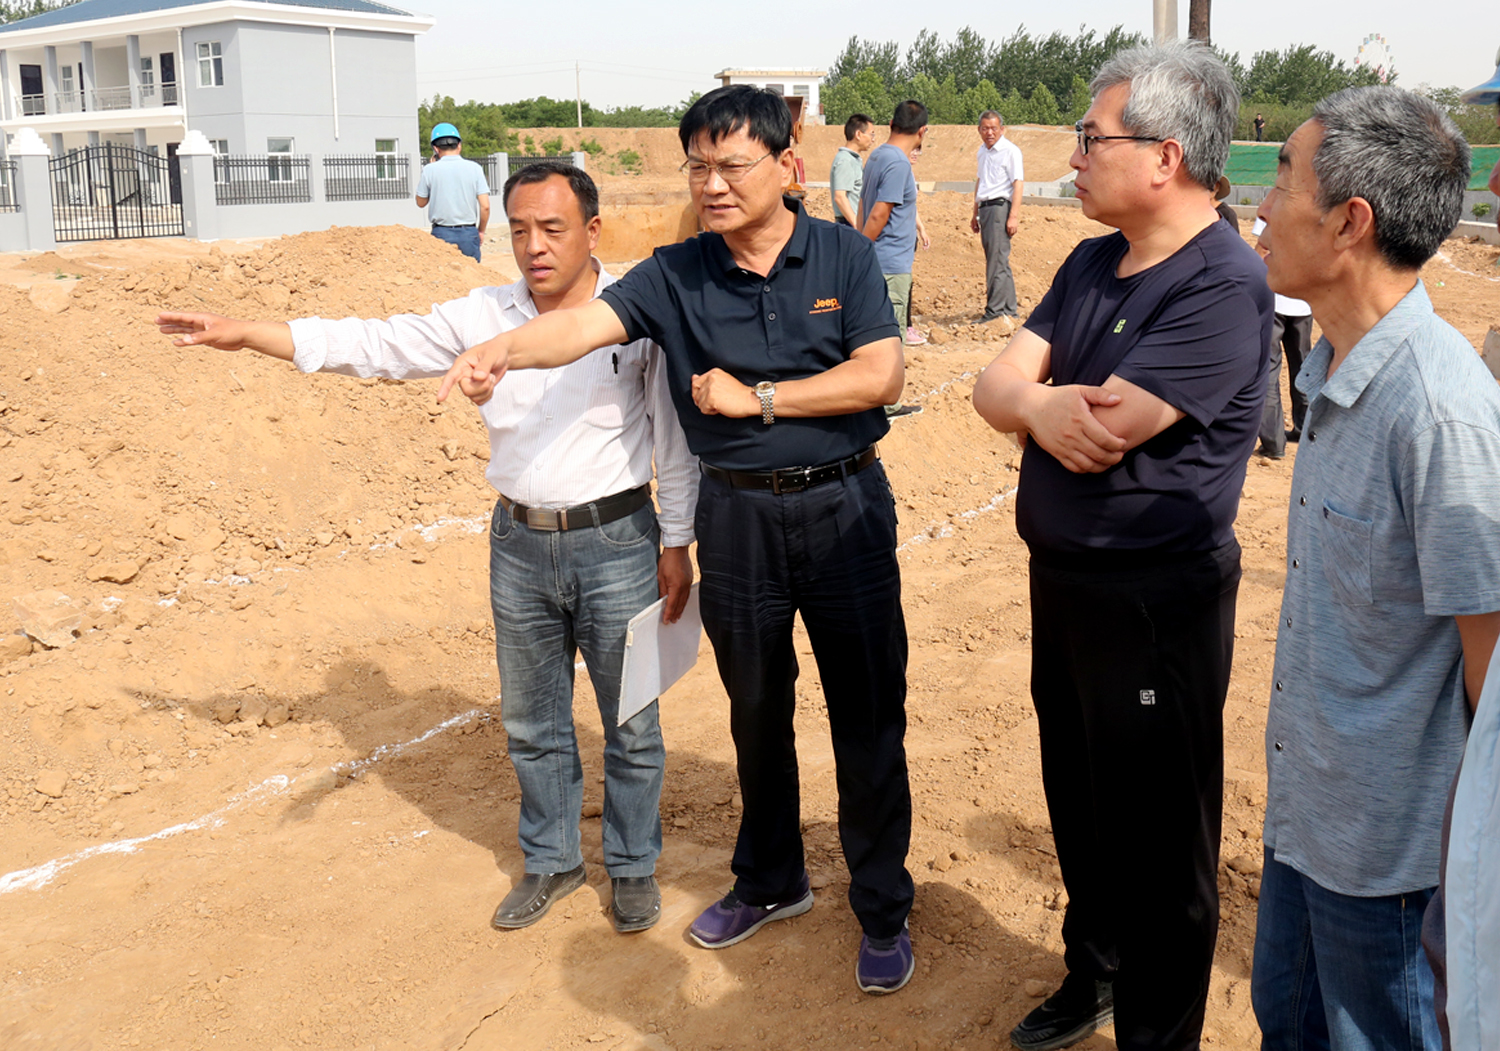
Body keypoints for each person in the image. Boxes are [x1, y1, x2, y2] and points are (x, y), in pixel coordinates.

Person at [438, 85, 917, 996]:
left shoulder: (843, 254)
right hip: (736, 521)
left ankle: (883, 907)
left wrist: (759, 399)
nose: (712, 184)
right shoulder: (677, 271)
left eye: (731, 165)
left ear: (788, 166)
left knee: (866, 716)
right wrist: (505, 350)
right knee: (755, 713)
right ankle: (771, 880)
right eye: (698, 166)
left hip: (843, 509)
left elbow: (880, 374)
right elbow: (585, 325)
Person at [157, 161, 699, 936]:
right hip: (519, 545)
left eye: (552, 229)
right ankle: (552, 859)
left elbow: (672, 438)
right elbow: (375, 343)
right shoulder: (482, 313)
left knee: (633, 720)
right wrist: (250, 334)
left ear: (592, 230)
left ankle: (634, 864)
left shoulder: (633, 310)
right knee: (533, 722)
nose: (535, 246)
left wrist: (676, 540)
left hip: (619, 541)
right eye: (520, 230)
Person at [970, 41, 1270, 1051]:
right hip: (1065, 585)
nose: (1075, 155)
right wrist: (1034, 405)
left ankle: (1157, 1031)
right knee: (1083, 800)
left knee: (1160, 840)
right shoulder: (1093, 260)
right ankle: (1093, 970)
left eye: (1092, 137)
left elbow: (1105, 426)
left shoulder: (1223, 281)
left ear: (1165, 156)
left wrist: (1038, 401)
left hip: (1153, 603)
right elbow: (995, 387)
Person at [1249, 85, 1500, 1051]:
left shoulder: (1439, 411)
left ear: (1349, 222)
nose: (1262, 206)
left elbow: (1491, 669)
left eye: (1283, 180)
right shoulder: (1332, 370)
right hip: (1306, 821)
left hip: (1393, 870)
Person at [860, 100, 927, 355]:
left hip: (877, 263)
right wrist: (861, 251)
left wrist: (859, 244)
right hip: (891, 266)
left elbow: (863, 207)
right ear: (922, 131)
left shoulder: (877, 155)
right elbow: (879, 214)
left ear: (891, 124)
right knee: (890, 346)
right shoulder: (899, 163)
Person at [1251, 217, 1313, 459]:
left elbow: (1260, 252)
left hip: (1275, 302)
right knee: (1304, 368)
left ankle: (1273, 442)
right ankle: (1305, 430)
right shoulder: (1318, 209)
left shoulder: (1275, 208)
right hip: (1303, 303)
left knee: (1268, 369)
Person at [970, 110, 1025, 327]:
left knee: (996, 262)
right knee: (999, 260)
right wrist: (974, 212)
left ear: (1002, 129)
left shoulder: (1010, 151)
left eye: (993, 128)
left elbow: (1018, 183)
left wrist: (1013, 216)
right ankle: (1009, 310)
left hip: (999, 208)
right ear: (979, 130)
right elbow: (980, 181)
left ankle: (994, 311)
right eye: (985, 128)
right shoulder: (982, 151)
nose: (989, 132)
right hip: (985, 208)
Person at [415, 121, 491, 262]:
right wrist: (480, 231)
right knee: (471, 273)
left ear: (436, 149)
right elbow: (485, 206)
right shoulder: (475, 168)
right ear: (459, 145)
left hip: (441, 234)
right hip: (469, 233)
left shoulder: (429, 170)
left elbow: (420, 202)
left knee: (443, 274)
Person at [830, 113, 874, 227]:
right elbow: (840, 197)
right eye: (871, 134)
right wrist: (856, 225)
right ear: (858, 134)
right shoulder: (845, 161)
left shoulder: (853, 160)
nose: (872, 140)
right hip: (848, 223)